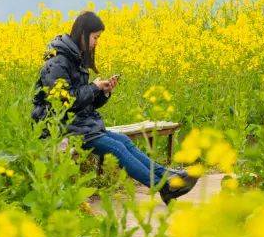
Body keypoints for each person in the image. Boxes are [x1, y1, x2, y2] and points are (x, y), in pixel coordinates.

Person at [31, 11, 197, 204]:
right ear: (83, 34)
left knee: (123, 141)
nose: (96, 43)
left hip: (79, 124)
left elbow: (85, 103)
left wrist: (103, 92)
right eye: (95, 37)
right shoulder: (58, 61)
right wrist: (93, 87)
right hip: (57, 127)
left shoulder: (76, 58)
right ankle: (164, 187)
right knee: (116, 147)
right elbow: (64, 103)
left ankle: (170, 177)